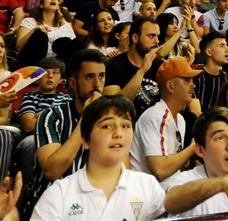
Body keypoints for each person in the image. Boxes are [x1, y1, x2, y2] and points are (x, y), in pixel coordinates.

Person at [32, 95, 165, 221]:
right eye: (106, 126)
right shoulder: (59, 194)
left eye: (125, 126)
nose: (118, 134)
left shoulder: (148, 186)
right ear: (85, 140)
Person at [20, 49, 108, 219]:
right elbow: (52, 171)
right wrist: (86, 118)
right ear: (73, 83)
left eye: (102, 76)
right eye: (89, 77)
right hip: (51, 205)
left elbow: (121, 168)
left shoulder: (111, 118)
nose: (97, 84)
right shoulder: (51, 116)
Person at [130, 56, 199, 180]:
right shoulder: (155, 116)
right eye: (187, 80)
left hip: (167, 188)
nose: (193, 85)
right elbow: (160, 170)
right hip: (146, 194)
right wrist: (193, 147)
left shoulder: (180, 120)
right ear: (170, 86)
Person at [103, 16, 163, 115]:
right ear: (135, 38)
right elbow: (114, 107)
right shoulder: (114, 65)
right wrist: (142, 70)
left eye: (158, 36)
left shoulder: (159, 64)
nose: (157, 41)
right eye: (151, 36)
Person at [16, 0, 75, 65]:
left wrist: (62, 18)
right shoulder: (30, 21)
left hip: (58, 64)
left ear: (58, 7)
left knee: (66, 41)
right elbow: (19, 47)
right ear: (41, 5)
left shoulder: (64, 26)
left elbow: (74, 47)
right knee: (40, 34)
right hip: (33, 62)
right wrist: (34, 30)